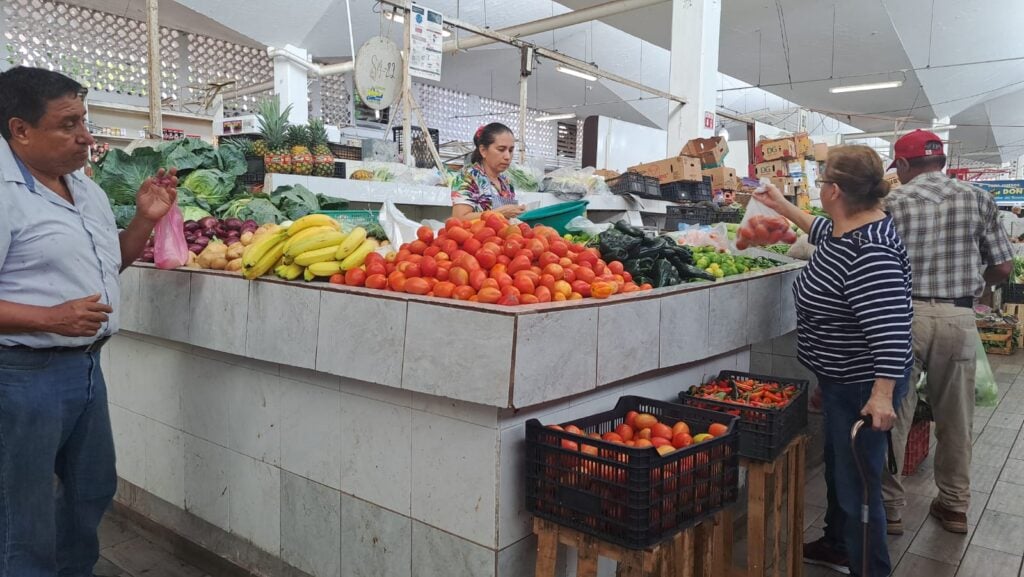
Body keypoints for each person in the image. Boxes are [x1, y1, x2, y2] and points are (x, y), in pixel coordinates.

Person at [0, 66, 178, 577]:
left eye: (85, 120)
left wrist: (144, 219)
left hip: (85, 370)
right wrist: (48, 317)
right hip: (21, 378)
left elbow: (107, 266)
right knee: (22, 515)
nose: (86, 136)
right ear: (20, 129)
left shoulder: (86, 190)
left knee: (91, 490)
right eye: (68, 123)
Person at [756, 145, 914, 577]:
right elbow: (820, 231)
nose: (821, 188)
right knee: (844, 478)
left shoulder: (870, 254)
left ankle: (871, 568)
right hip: (843, 380)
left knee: (859, 493)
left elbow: (893, 333)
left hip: (864, 391)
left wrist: (881, 396)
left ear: (835, 191)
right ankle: (841, 548)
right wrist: (781, 205)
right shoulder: (849, 231)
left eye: (823, 180)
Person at [882, 129, 1014, 535]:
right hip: (958, 318)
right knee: (956, 417)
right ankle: (954, 505)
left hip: (903, 318)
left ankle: (890, 509)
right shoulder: (979, 198)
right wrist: (977, 285)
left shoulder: (891, 202)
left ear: (903, 165)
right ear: (940, 160)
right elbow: (1004, 267)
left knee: (894, 413)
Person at [451, 122, 525, 220]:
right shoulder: (467, 178)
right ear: (483, 151)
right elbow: (459, 219)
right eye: (501, 149)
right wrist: (500, 213)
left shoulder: (506, 182)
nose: (507, 157)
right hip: (475, 235)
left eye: (510, 150)